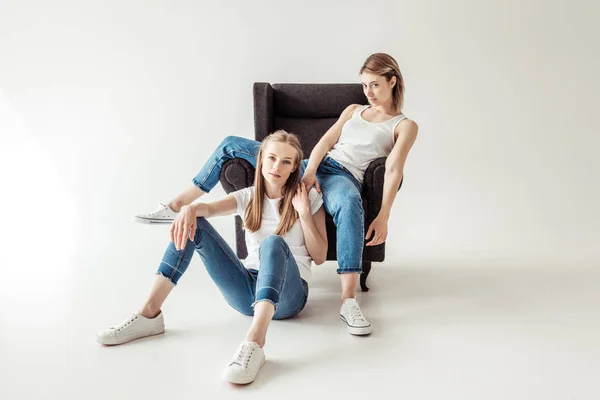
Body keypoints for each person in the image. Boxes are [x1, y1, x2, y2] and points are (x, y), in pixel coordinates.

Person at [134, 53, 419, 336]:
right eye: (365, 85)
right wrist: (307, 171)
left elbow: (393, 170)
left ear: (392, 81)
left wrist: (384, 215)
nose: (368, 92)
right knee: (230, 144)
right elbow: (326, 142)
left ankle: (348, 301)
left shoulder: (403, 125)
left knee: (349, 203)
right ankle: (177, 203)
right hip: (313, 165)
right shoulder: (354, 110)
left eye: (375, 85)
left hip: (344, 177)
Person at [98, 131, 328, 384]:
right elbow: (208, 208)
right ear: (261, 159)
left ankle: (255, 343)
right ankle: (149, 315)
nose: (276, 167)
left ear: (295, 167)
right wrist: (189, 208)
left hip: (289, 297)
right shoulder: (248, 196)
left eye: (286, 161)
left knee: (273, 242)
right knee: (192, 220)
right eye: (272, 158)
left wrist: (304, 213)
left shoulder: (309, 197)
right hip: (246, 294)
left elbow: (319, 256)